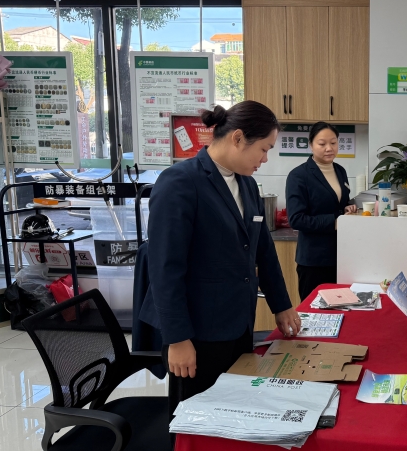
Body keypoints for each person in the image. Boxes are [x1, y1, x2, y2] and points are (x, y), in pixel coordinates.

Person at [141, 102, 302, 417]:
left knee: (233, 413)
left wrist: (281, 305)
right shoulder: (180, 182)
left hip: (237, 322)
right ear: (238, 138)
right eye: (264, 149)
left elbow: (263, 250)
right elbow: (164, 270)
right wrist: (178, 339)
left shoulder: (247, 184)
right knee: (196, 418)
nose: (265, 159)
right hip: (196, 331)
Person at [286, 122, 357, 301]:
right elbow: (296, 219)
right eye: (322, 143)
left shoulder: (340, 171)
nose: (329, 148)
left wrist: (347, 207)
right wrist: (335, 221)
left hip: (342, 257)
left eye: (333, 143)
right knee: (315, 310)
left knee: (343, 308)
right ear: (311, 145)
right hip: (314, 261)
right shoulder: (298, 175)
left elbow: (338, 203)